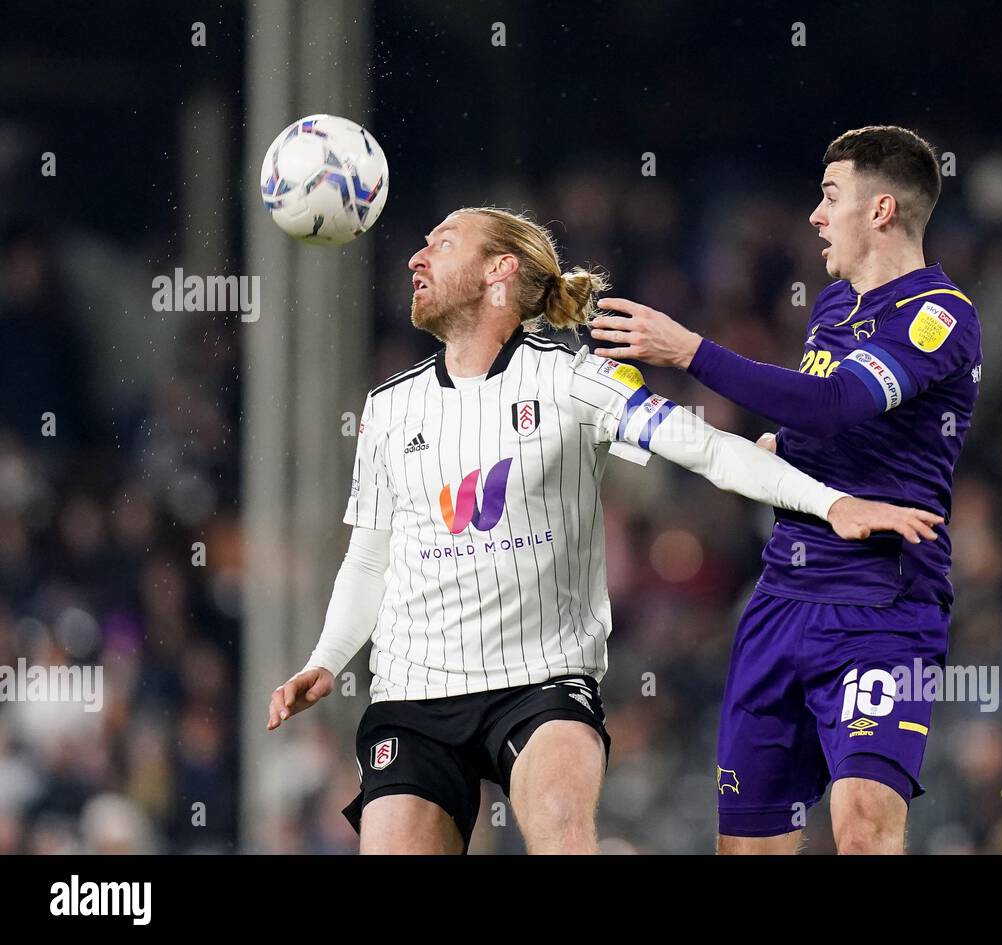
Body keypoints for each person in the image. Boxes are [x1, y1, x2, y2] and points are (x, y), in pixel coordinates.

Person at [266, 206, 945, 854]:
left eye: (442, 242)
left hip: (539, 685)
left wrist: (831, 505)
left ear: (500, 269)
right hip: (411, 693)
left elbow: (705, 447)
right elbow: (368, 559)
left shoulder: (574, 382)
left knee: (561, 825)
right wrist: (326, 659)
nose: (415, 256)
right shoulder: (387, 407)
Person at [590, 125, 983, 853]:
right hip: (780, 601)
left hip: (881, 605)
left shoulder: (940, 314)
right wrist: (785, 449)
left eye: (831, 195)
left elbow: (837, 404)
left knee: (863, 822)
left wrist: (691, 351)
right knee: (748, 845)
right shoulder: (833, 307)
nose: (815, 213)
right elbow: (821, 418)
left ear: (882, 210)